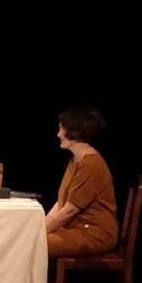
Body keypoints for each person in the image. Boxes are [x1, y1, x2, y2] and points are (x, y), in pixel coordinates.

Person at [45, 105, 118, 258]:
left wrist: (40, 232)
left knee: (34, 243)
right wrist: (40, 227)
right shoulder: (76, 160)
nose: (58, 134)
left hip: (94, 233)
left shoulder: (91, 164)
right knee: (30, 239)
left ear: (77, 131)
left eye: (62, 129)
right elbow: (62, 202)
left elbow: (69, 210)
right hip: (77, 229)